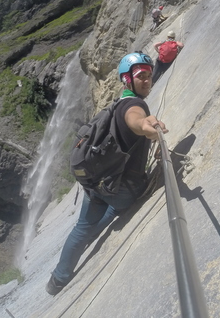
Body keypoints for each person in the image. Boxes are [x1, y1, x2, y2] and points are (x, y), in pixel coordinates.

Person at [46, 52, 168, 296]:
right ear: (128, 80)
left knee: (81, 228)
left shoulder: (117, 102)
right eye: (141, 76)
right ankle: (95, 231)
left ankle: (57, 281)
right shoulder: (135, 105)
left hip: (97, 181)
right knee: (114, 209)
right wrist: (146, 126)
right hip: (122, 190)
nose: (147, 80)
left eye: (148, 75)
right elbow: (136, 120)